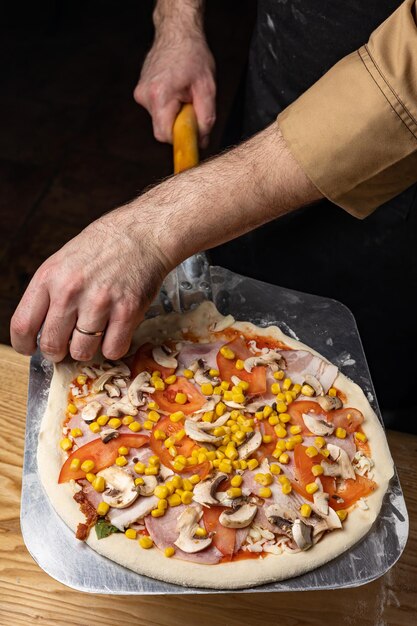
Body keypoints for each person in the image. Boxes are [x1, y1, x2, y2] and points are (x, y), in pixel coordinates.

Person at [10, 0, 417, 423]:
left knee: (377, 391)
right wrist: (178, 21)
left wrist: (148, 232)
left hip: (398, 173)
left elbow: (405, 87)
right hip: (279, 82)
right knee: (223, 303)